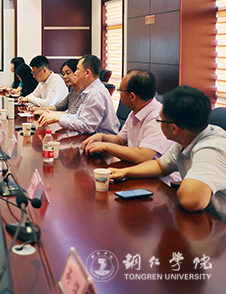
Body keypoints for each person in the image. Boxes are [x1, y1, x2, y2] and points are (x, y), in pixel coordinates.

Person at [109, 86, 226, 223]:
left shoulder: (211, 150)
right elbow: (160, 166)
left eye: (160, 120)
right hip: (204, 219)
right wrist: (124, 173)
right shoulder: (188, 137)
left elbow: (192, 200)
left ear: (174, 128)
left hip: (219, 227)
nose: (158, 123)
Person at [82, 70, 172, 163]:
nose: (119, 93)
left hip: (153, 172)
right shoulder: (136, 111)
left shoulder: (158, 118)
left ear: (132, 96)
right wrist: (102, 137)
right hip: (134, 167)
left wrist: (106, 146)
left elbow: (143, 156)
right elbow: (120, 140)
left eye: (120, 90)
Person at [38, 55, 119, 134]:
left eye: (77, 69)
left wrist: (57, 118)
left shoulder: (95, 93)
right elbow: (78, 117)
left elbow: (86, 126)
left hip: (103, 140)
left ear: (87, 73)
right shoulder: (89, 90)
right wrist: (55, 116)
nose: (75, 73)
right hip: (91, 137)